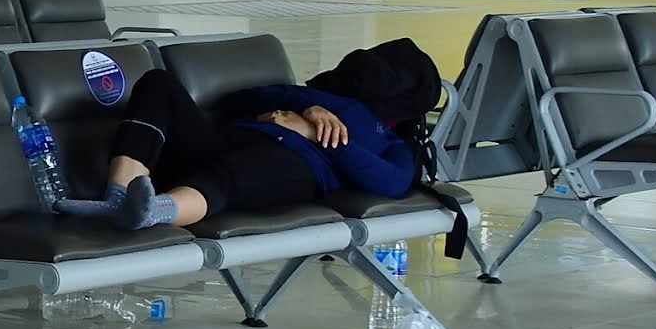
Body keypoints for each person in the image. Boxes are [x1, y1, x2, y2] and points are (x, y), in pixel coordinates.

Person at [57, 68, 414, 229]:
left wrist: (313, 134)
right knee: (158, 82)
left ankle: (151, 213)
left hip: (294, 164)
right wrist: (305, 106)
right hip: (226, 139)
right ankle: (118, 197)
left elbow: (393, 182)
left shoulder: (392, 141)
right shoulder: (317, 96)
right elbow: (235, 101)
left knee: (228, 176)